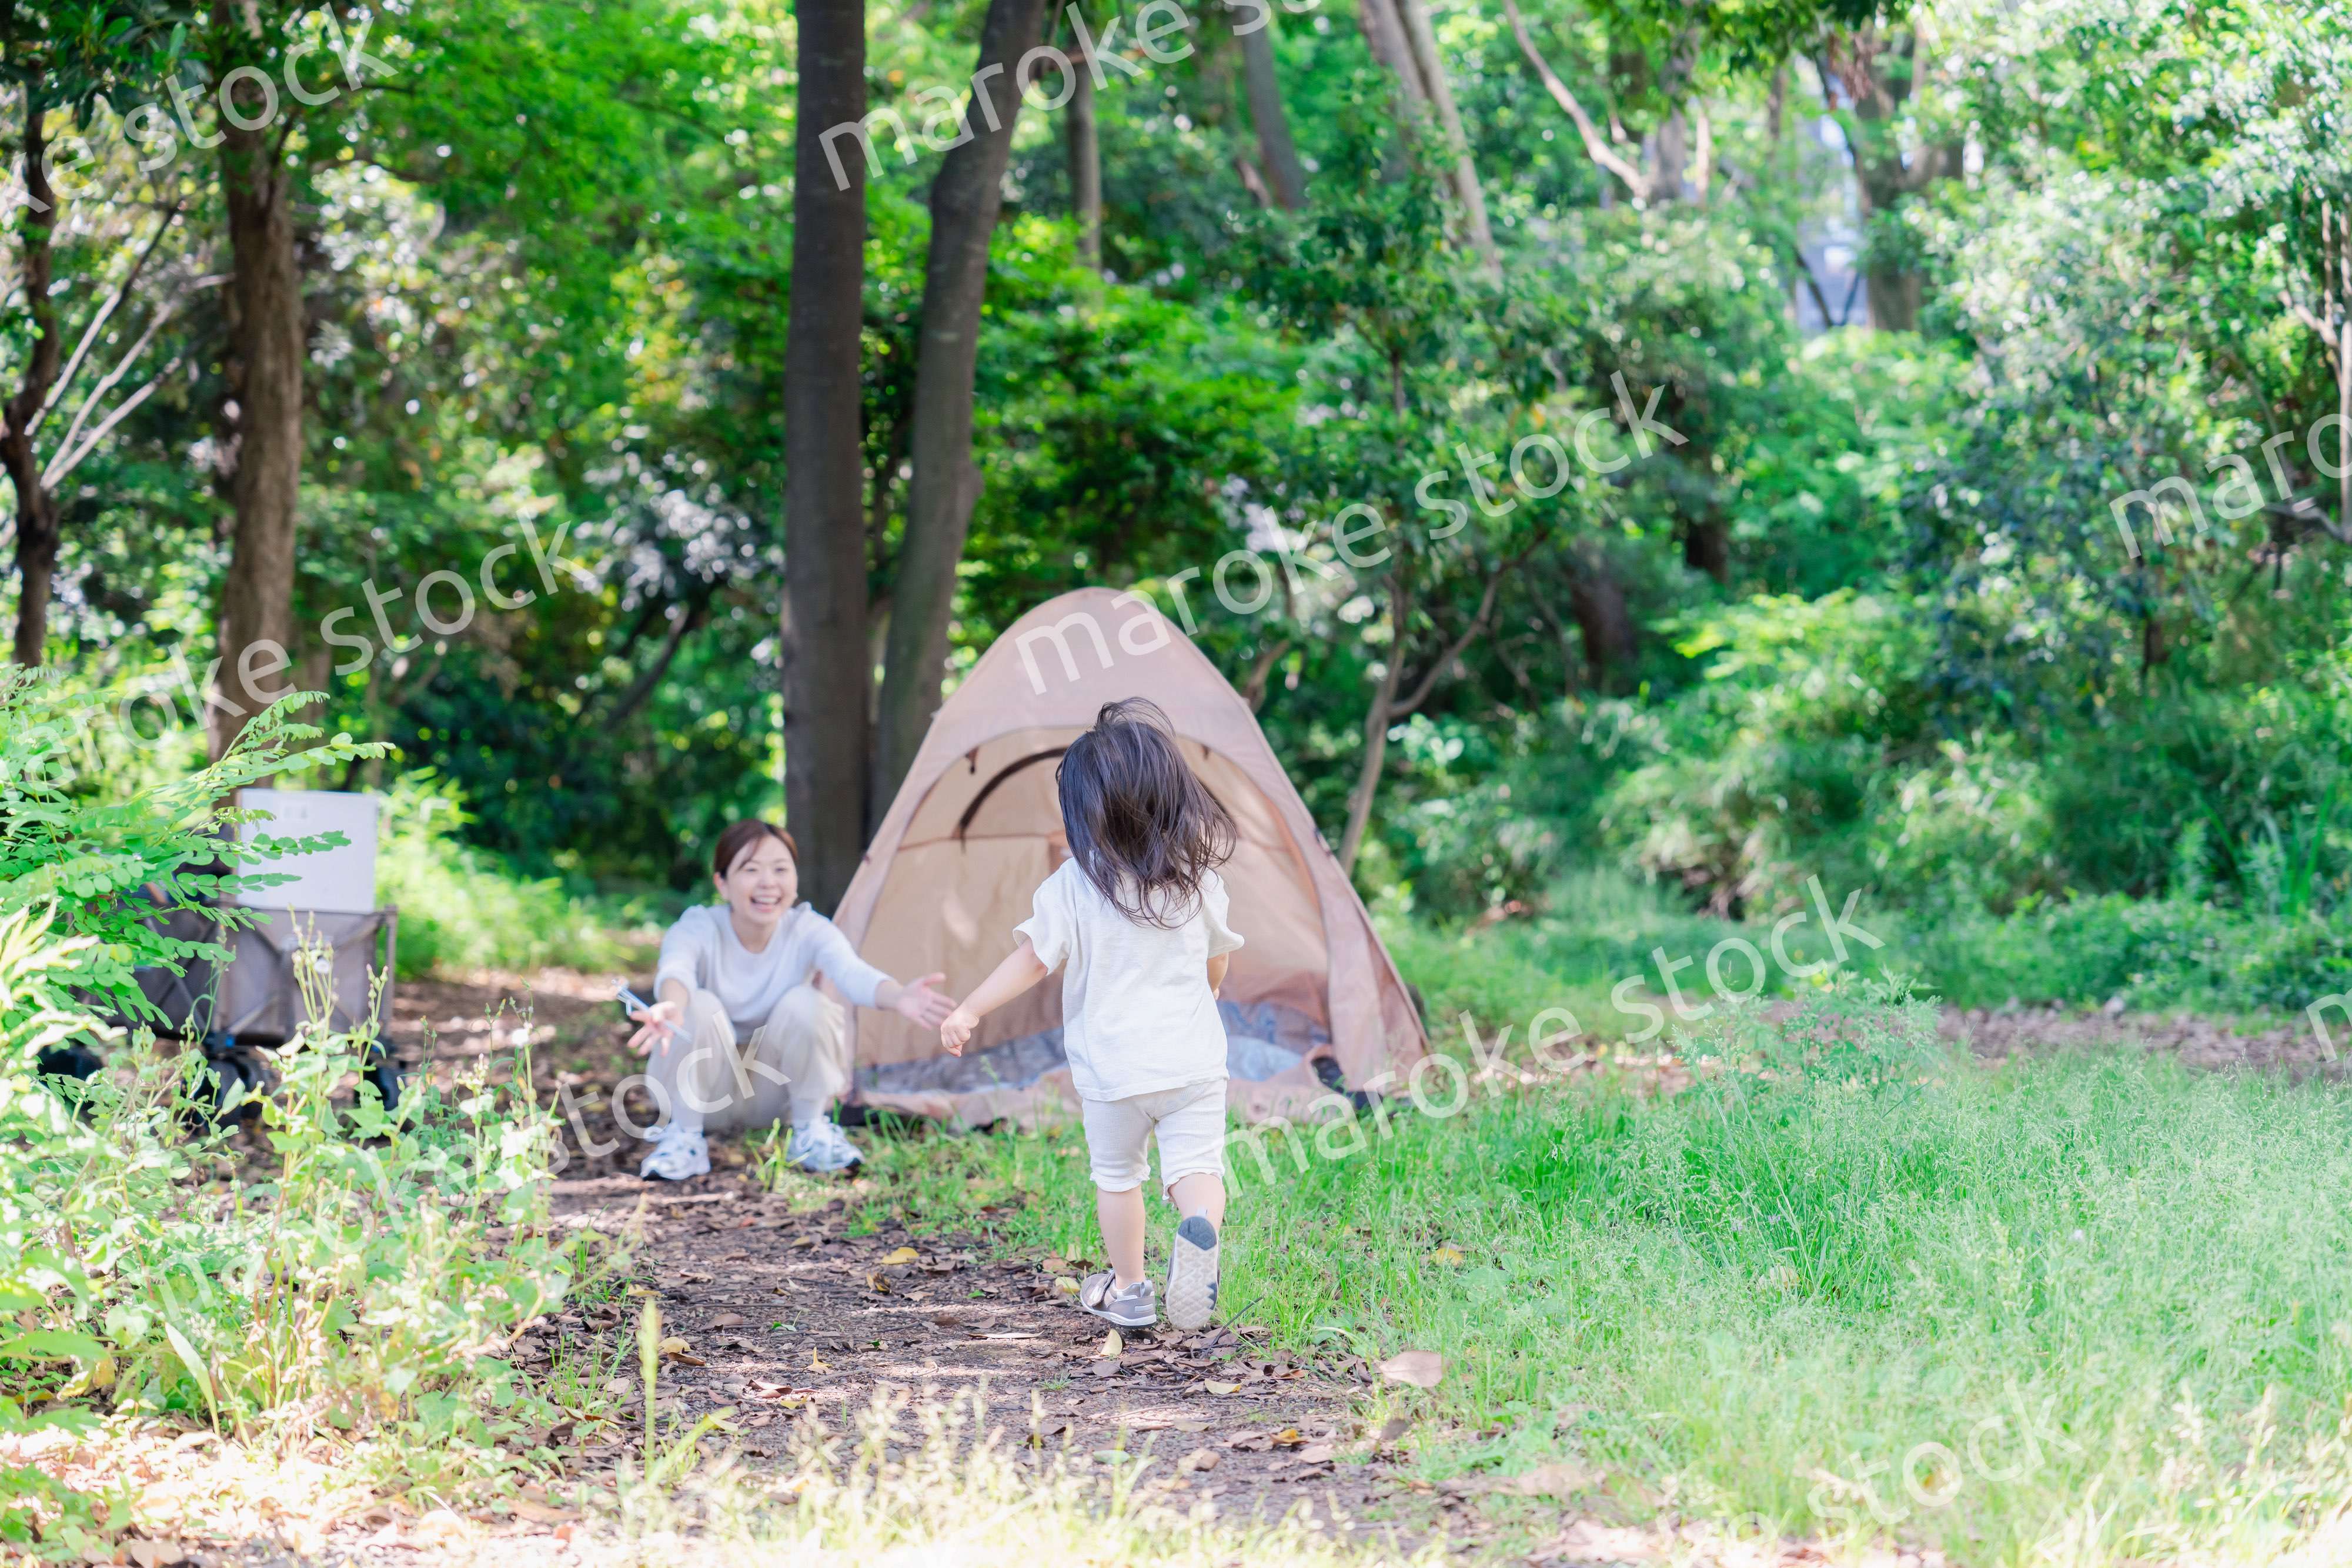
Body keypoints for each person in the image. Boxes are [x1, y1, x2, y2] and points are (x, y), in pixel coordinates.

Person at [938, 698, 1242, 1332]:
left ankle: (1130, 1289)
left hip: (1112, 1072)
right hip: (1192, 1064)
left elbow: (1030, 961)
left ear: (1086, 815)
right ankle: (1199, 1230)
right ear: (1174, 799)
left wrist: (969, 1008)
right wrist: (1209, 994)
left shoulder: (1075, 886)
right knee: (1197, 1168)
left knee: (1118, 1178)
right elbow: (1215, 964)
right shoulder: (1199, 882)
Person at [627, 820, 952, 1179]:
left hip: (776, 1098)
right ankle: (684, 1140)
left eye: (781, 869)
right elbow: (677, 969)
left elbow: (852, 973)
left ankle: (811, 1132)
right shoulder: (699, 926)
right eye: (751, 870)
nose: (768, 883)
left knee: (807, 1002)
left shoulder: (808, 929)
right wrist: (672, 1004)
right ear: (722, 883)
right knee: (699, 1005)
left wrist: (899, 996)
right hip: (701, 1098)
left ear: (795, 879)